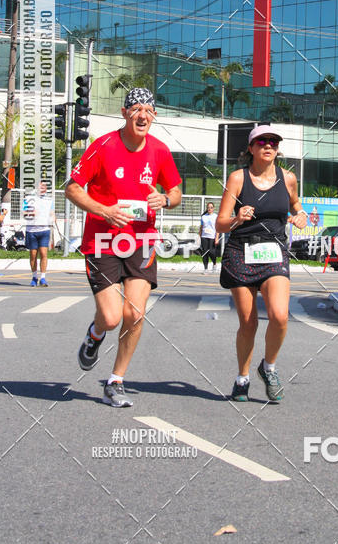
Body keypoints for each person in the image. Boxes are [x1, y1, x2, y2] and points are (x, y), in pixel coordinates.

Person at [65, 88, 182, 407]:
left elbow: (175, 191)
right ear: (124, 112)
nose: (143, 115)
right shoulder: (103, 146)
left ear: (154, 116)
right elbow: (72, 189)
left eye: (149, 110)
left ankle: (116, 380)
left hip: (141, 241)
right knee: (111, 317)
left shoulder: (159, 150)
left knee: (135, 313)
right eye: (136, 109)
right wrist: (104, 211)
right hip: (102, 241)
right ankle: (95, 334)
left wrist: (165, 199)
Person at [215, 125, 307, 403]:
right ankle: (242, 378)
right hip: (241, 252)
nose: (268, 146)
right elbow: (220, 223)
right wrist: (236, 218)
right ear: (251, 148)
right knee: (248, 323)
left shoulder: (288, 178)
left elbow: (295, 204)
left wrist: (300, 215)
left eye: (273, 142)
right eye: (262, 142)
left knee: (279, 316)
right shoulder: (237, 178)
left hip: (274, 251)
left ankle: (268, 367)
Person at [24, 181, 55, 287]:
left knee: (43, 253)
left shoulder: (49, 200)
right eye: (41, 187)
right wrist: (31, 213)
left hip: (44, 230)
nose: (43, 189)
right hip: (32, 230)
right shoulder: (29, 199)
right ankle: (34, 277)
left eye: (44, 187)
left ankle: (43, 278)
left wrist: (53, 217)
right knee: (33, 254)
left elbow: (52, 212)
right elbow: (24, 212)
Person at [199, 202, 220, 272]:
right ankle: (205, 268)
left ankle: (214, 264)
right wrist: (199, 236)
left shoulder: (216, 216)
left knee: (211, 252)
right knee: (205, 252)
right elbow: (201, 227)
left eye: (211, 207)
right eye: (208, 207)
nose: (209, 209)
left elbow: (217, 228)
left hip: (212, 237)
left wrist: (217, 238)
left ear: (213, 208)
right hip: (204, 236)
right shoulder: (203, 217)